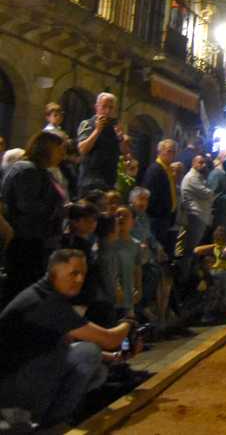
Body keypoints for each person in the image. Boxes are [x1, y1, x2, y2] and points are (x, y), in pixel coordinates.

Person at [0, 250, 139, 430]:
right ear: (54, 272)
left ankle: (46, 418)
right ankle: (49, 423)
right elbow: (109, 339)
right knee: (89, 353)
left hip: (18, 379)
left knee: (98, 369)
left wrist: (114, 357)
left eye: (83, 274)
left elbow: (64, 342)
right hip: (10, 389)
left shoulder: (44, 294)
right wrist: (129, 322)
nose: (80, 279)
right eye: (74, 273)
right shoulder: (44, 302)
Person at [0, 131, 67, 306]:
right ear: (46, 148)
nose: (63, 154)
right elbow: (28, 206)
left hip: (37, 241)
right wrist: (59, 210)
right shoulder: (27, 170)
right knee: (20, 289)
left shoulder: (42, 172)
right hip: (25, 242)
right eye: (59, 149)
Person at [76, 93, 123, 194]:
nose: (107, 111)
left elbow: (122, 153)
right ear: (97, 107)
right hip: (90, 182)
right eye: (104, 106)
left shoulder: (114, 128)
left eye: (111, 108)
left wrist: (120, 138)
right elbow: (82, 149)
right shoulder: (88, 124)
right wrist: (97, 130)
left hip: (109, 182)